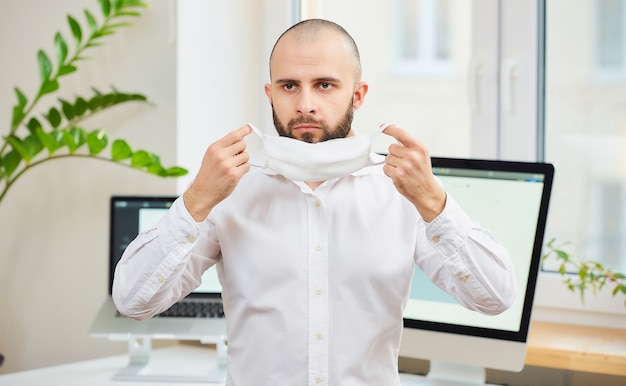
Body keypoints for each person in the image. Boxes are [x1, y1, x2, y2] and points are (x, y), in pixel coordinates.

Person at [113, 19, 516, 386]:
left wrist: (432, 200)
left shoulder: (403, 192)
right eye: (289, 86)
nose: (305, 103)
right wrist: (197, 198)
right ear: (270, 95)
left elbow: (494, 298)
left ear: (357, 96)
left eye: (325, 84)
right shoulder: (229, 191)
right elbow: (133, 301)